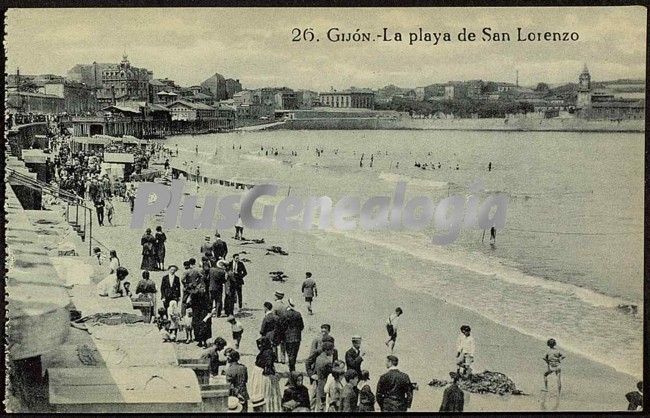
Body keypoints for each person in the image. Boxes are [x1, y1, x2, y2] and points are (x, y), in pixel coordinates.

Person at [249, 336, 282, 412]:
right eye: (259, 344)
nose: (259, 346)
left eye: (261, 344)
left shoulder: (267, 352)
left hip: (262, 375)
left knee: (265, 392)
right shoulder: (267, 351)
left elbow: (268, 365)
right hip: (260, 374)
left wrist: (272, 374)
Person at [313, 341, 335, 412]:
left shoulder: (318, 358)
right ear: (327, 350)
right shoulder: (327, 361)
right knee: (324, 403)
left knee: (319, 403)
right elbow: (332, 372)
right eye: (332, 350)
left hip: (319, 382)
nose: (333, 352)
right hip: (325, 383)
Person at [283, 298, 304, 372]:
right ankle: (292, 366)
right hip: (297, 337)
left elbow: (282, 326)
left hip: (288, 337)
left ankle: (291, 369)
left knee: (289, 353)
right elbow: (302, 326)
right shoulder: (298, 314)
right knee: (294, 353)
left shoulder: (285, 314)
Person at [272, 291, 287, 364]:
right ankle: (283, 358)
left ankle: (275, 358)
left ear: (276, 296)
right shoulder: (285, 306)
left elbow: (273, 317)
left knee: (274, 343)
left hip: (276, 327)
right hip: (284, 327)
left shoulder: (275, 306)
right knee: (283, 343)